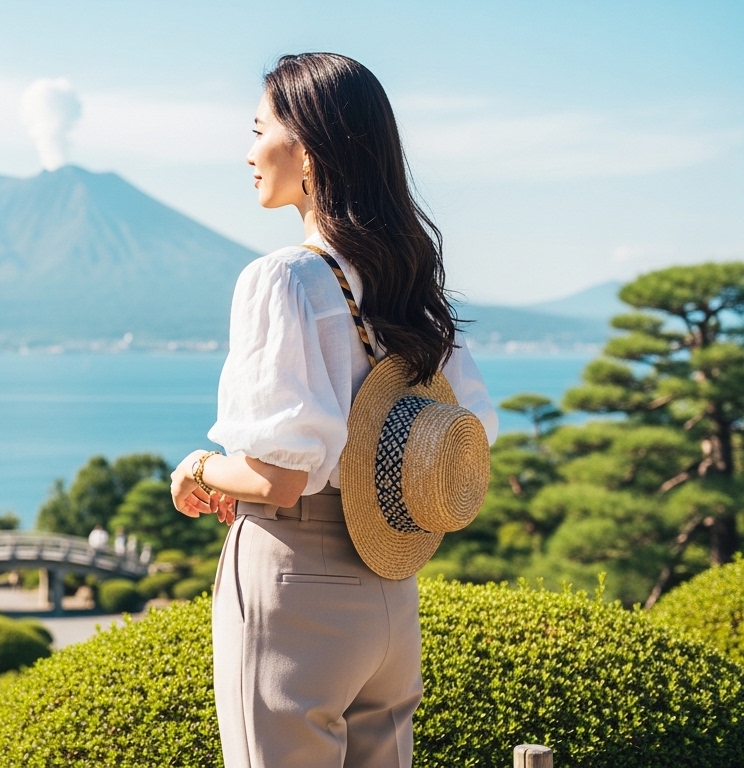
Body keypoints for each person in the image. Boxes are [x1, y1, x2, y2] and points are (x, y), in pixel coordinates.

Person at [169, 53, 498, 768]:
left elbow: (278, 479)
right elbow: (469, 433)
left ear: (308, 152)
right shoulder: (413, 291)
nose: (248, 153)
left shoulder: (284, 279)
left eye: (259, 129)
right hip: (389, 584)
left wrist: (198, 467)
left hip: (295, 578)